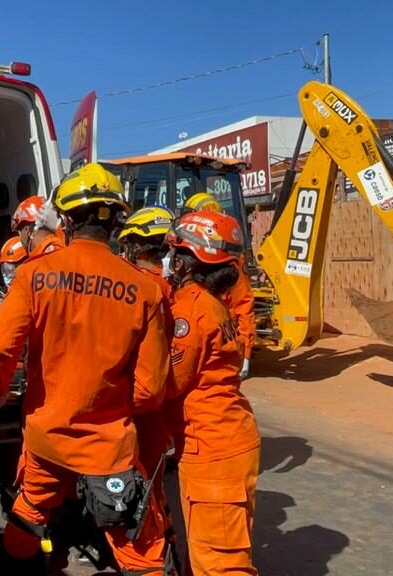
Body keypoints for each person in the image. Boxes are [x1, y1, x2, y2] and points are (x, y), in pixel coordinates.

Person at [0, 163, 172, 575]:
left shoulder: (34, 275)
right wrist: (105, 405)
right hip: (108, 446)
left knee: (29, 510)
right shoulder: (146, 290)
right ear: (118, 218)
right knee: (139, 545)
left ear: (65, 220)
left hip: (46, 436)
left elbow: (1, 347)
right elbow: (151, 390)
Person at [165, 210, 262, 576]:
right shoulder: (213, 304)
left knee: (220, 564)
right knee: (215, 553)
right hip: (226, 439)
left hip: (213, 448)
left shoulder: (191, 310)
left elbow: (171, 380)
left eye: (176, 253)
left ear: (187, 259)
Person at [117, 207, 178, 501]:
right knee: (152, 480)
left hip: (134, 396)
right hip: (159, 395)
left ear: (134, 245)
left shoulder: (134, 285)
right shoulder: (170, 287)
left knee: (136, 486)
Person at [183, 193, 256, 379]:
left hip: (218, 333)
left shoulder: (232, 262)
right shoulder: (191, 254)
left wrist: (246, 351)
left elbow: (243, 305)